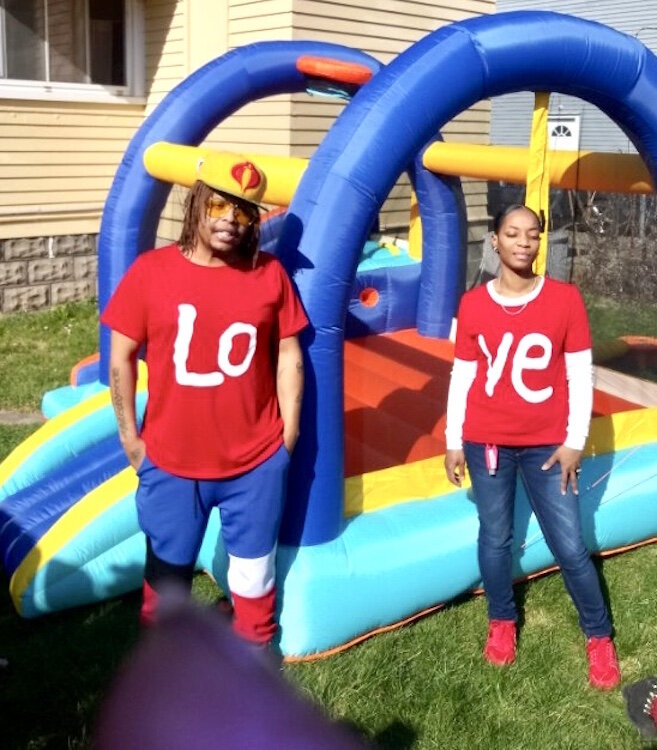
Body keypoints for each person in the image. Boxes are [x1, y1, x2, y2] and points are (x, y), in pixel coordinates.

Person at [101, 153, 308, 649]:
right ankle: (164, 669)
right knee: (166, 576)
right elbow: (121, 359)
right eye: (219, 205)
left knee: (254, 575)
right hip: (171, 460)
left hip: (255, 461)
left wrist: (290, 432)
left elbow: (288, 354)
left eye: (243, 212)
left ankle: (255, 662)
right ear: (196, 203)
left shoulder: (270, 274)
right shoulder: (151, 272)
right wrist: (132, 439)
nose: (230, 222)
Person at [444, 204, 620, 689]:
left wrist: (574, 442)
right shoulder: (474, 303)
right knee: (495, 538)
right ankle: (502, 621)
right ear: (495, 241)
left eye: (533, 234)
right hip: (488, 441)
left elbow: (580, 376)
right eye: (513, 233)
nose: (524, 242)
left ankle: (598, 635)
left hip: (548, 445)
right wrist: (454, 438)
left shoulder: (564, 299)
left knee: (569, 544)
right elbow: (464, 375)